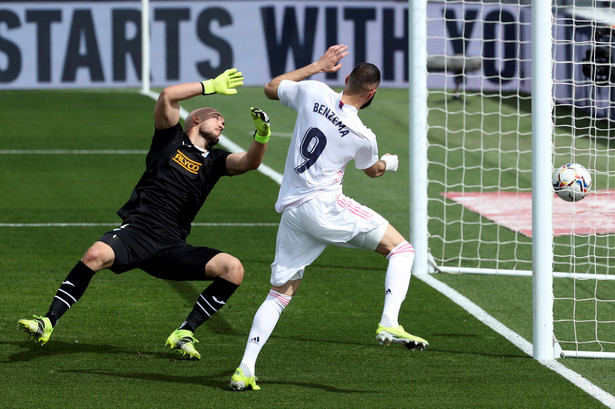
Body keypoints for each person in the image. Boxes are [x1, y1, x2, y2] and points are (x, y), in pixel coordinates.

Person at [17, 68, 273, 361]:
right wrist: (210, 85)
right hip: (137, 232)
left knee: (233, 269)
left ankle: (184, 331)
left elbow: (250, 162)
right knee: (94, 255)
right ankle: (48, 321)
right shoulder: (169, 139)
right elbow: (168, 95)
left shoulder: (215, 161)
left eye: (224, 123)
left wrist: (262, 134)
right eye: (218, 118)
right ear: (196, 119)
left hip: (172, 247)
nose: (223, 124)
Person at [230, 45, 428, 391]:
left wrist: (319, 66)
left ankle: (245, 367)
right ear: (372, 94)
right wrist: (391, 163)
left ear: (346, 78)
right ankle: (388, 322)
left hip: (292, 211)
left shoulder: (313, 91)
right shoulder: (364, 135)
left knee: (279, 294)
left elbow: (272, 87)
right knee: (402, 250)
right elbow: (372, 171)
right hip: (325, 206)